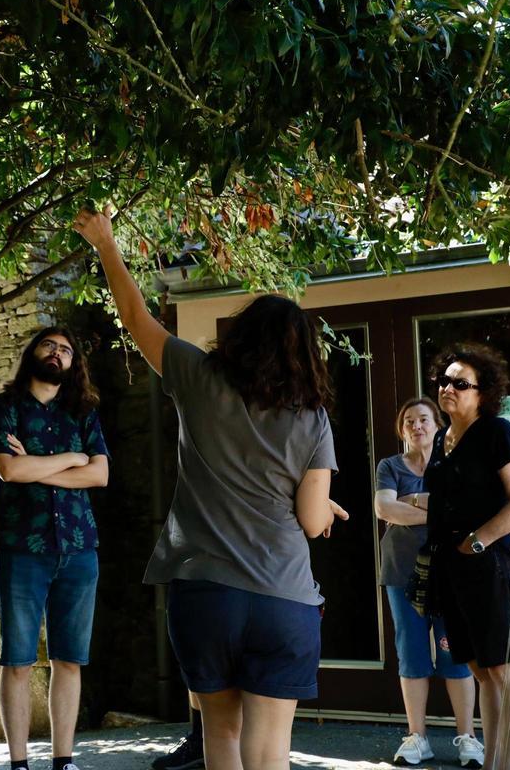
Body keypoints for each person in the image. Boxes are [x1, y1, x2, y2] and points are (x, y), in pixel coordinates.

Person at [74, 207, 346, 770]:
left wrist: (105, 243)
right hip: (282, 594)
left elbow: (132, 312)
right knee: (270, 748)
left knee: (219, 737)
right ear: (304, 355)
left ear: (241, 338)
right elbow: (312, 519)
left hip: (205, 591)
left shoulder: (196, 377)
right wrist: (321, 508)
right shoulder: (311, 418)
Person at [0, 327, 110, 770]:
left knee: (68, 660)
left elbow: (100, 476)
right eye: (49, 346)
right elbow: (8, 471)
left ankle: (63, 761)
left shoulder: (85, 412)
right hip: (21, 548)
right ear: (33, 351)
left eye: (66, 350)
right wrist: (73, 459)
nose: (57, 354)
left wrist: (38, 467)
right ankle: (18, 764)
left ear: (74, 364)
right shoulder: (6, 406)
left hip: (79, 548)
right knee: (17, 660)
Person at [424, 343, 510, 770]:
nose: (448, 387)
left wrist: (477, 541)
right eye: (444, 381)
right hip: (449, 568)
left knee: (506, 672)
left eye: (460, 383)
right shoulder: (441, 437)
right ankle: (494, 763)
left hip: (487, 564)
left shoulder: (497, 431)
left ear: (483, 392)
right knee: (482, 671)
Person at [375, 398, 482, 767]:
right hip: (402, 570)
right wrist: (438, 509)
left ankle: (467, 737)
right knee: (412, 652)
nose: (416, 425)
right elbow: (384, 509)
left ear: (438, 423)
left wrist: (417, 504)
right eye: (408, 421)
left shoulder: (455, 464)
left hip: (451, 570)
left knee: (455, 652)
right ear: (401, 429)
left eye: (423, 419)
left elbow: (468, 511)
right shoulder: (389, 466)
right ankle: (416, 737)